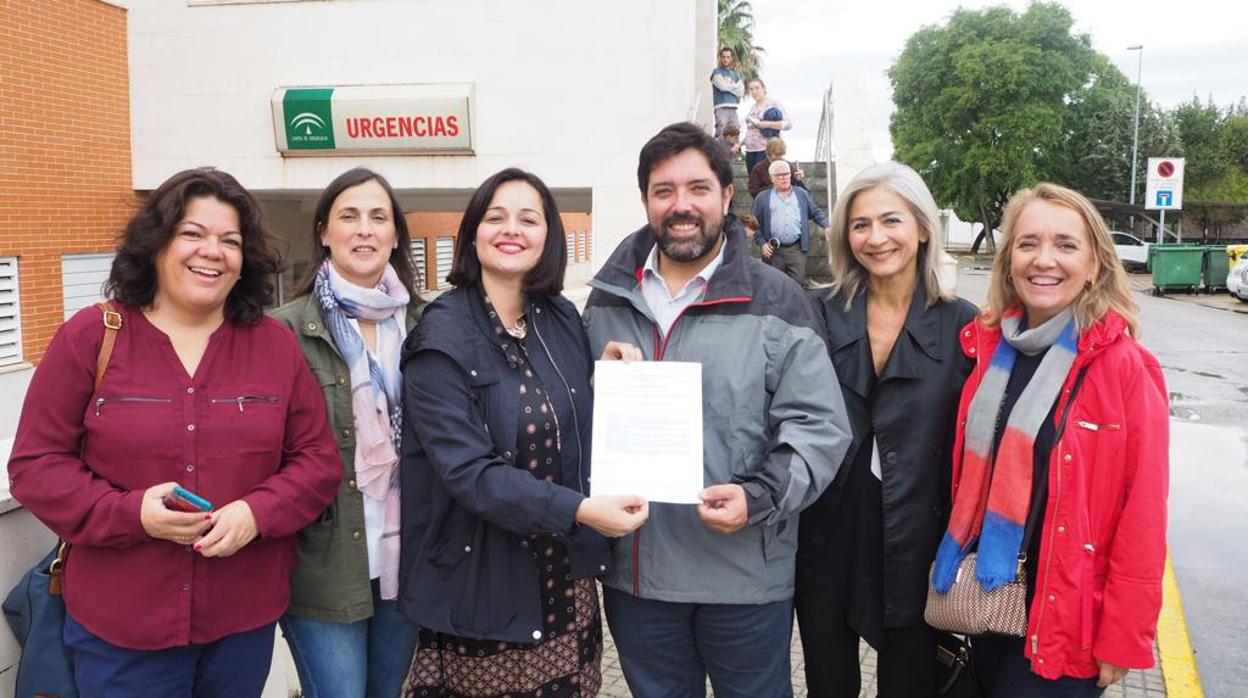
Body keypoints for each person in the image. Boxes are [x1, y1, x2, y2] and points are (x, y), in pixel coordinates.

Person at [7, 168, 341, 696]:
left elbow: (317, 460)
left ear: (243, 262)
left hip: (241, 624)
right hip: (121, 629)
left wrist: (258, 512)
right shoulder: (92, 337)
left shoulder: (274, 346)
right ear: (157, 244)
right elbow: (36, 466)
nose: (212, 251)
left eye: (229, 241)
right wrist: (131, 513)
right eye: (192, 233)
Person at [582, 121, 851, 697]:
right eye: (664, 190)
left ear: (728, 197)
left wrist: (758, 496)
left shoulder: (779, 300)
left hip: (745, 576)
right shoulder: (605, 299)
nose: (682, 205)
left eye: (698, 188)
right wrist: (593, 383)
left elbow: (820, 429)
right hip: (638, 577)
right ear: (646, 200)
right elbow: (577, 418)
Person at [398, 168, 650, 697]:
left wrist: (603, 376)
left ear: (548, 237)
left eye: (528, 219)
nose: (511, 229)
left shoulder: (557, 317)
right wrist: (581, 511)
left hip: (566, 579)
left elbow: (561, 422)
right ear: (472, 233)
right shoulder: (439, 339)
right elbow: (470, 474)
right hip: (484, 583)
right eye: (496, 217)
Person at [932, 183, 1169, 696]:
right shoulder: (988, 350)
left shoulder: (1124, 368)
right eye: (1028, 243)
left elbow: (1143, 513)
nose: (1045, 260)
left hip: (1064, 618)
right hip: (988, 600)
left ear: (1094, 266)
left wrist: (1124, 636)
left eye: (1065, 245)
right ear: (1009, 260)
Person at [795, 162, 979, 697]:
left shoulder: (966, 325)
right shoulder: (818, 312)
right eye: (860, 225)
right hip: (828, 533)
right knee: (828, 682)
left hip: (918, 540)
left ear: (922, 227)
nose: (876, 239)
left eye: (891, 221)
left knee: (911, 684)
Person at [272, 167, 425, 698]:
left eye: (378, 217)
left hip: (406, 559)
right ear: (323, 232)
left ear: (395, 234)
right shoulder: (283, 330)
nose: (364, 230)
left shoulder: (426, 324)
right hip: (322, 564)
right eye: (349, 216)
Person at [751, 159, 830, 285]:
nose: (784, 178)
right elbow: (752, 225)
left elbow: (816, 213)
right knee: (775, 286)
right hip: (773, 251)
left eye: (787, 174)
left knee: (797, 285)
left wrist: (827, 226)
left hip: (797, 250)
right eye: (779, 175)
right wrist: (762, 243)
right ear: (772, 178)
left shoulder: (802, 194)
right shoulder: (763, 198)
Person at [742, 78, 790, 175]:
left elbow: (788, 124)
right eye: (751, 89)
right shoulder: (752, 108)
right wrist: (740, 143)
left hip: (766, 149)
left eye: (757, 88)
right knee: (753, 181)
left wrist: (767, 124)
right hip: (750, 150)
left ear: (764, 89)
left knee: (764, 179)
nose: (754, 91)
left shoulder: (773, 104)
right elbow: (751, 131)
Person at [710, 47, 744, 138]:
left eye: (728, 57)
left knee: (736, 131)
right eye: (723, 57)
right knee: (721, 130)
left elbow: (741, 91)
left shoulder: (735, 74)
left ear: (732, 58)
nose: (726, 59)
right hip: (721, 107)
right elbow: (722, 87)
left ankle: (734, 152)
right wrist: (733, 87)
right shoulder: (716, 72)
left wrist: (728, 85)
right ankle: (719, 150)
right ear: (720, 58)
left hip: (733, 108)